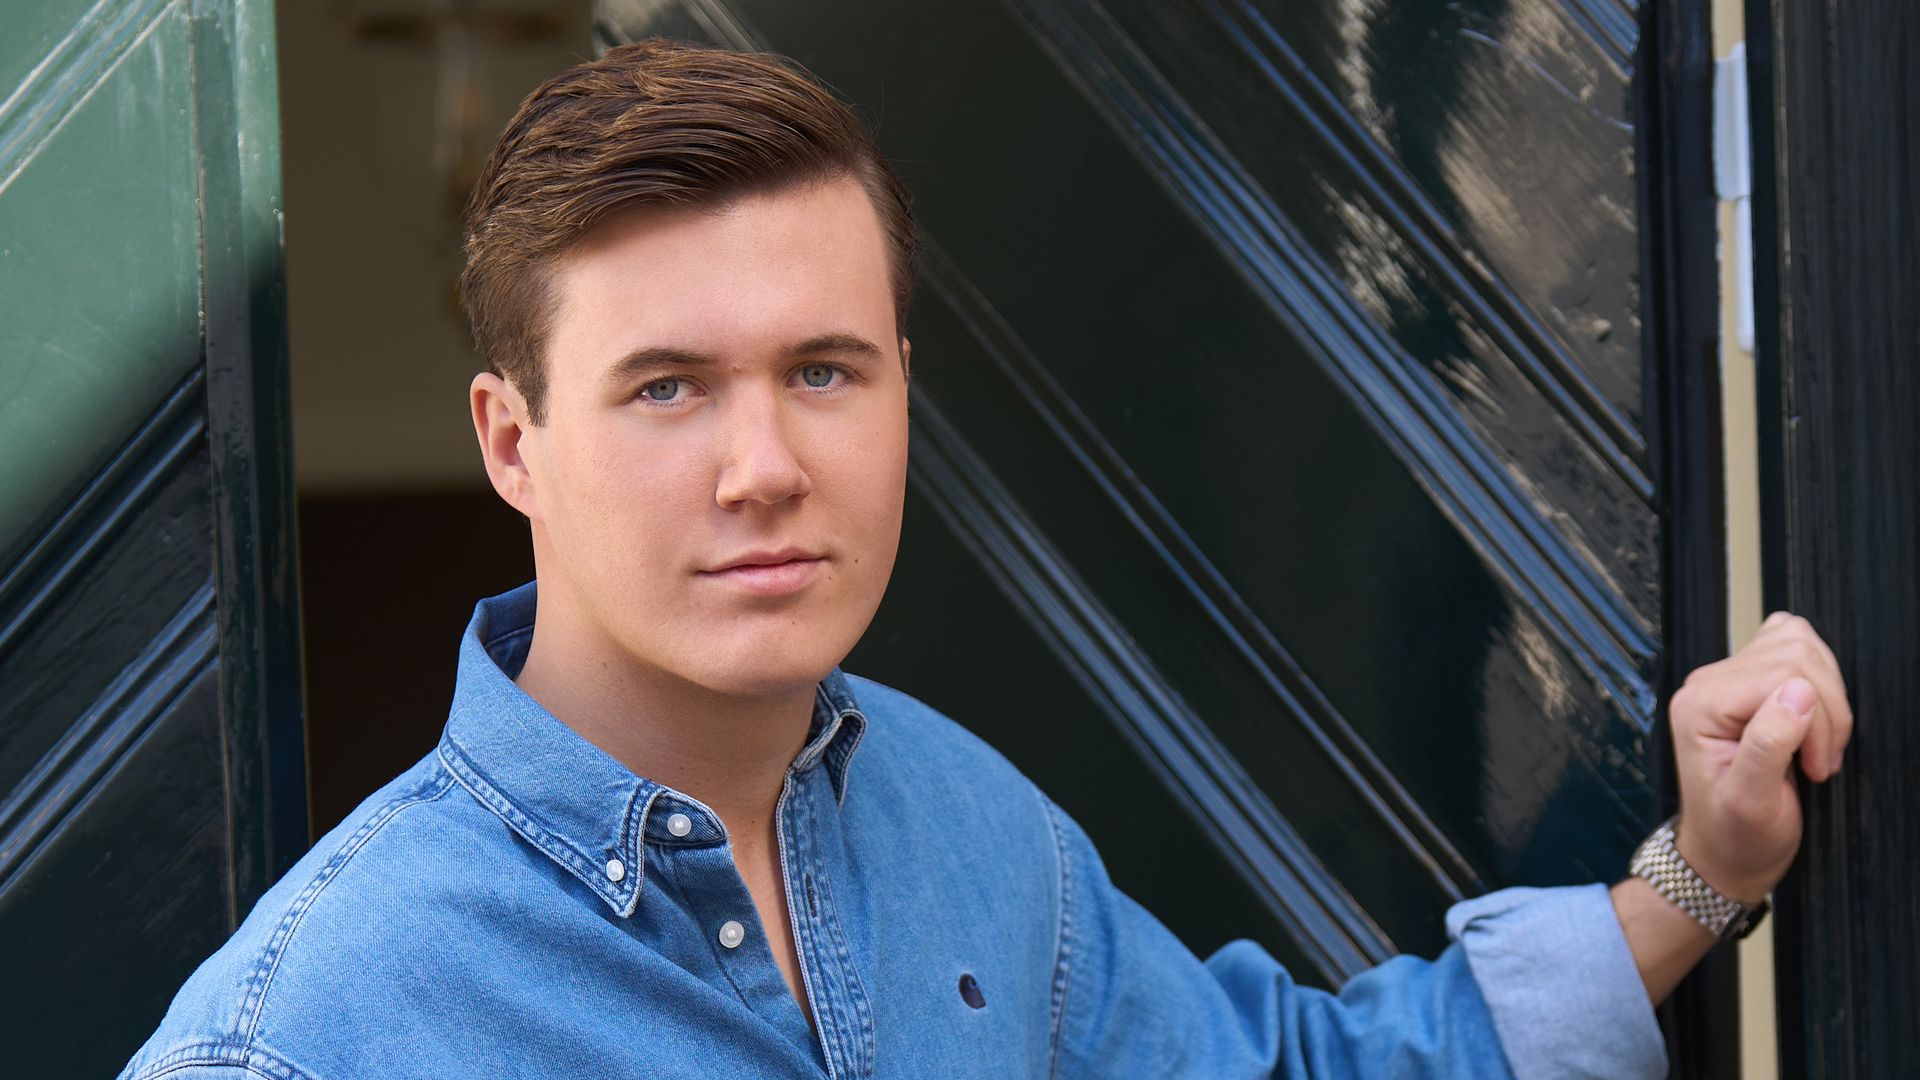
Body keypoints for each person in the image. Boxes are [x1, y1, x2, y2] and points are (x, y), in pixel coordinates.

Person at [119, 38, 1854, 1079]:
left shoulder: (957, 827)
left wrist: (1701, 869)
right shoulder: (317, 1025)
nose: (763, 466)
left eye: (823, 370)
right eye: (666, 388)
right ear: (515, 442)